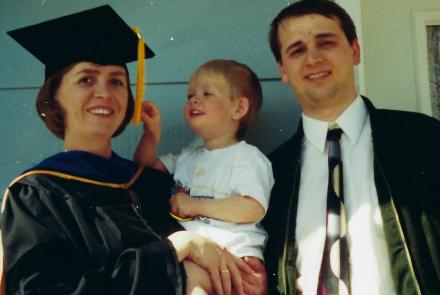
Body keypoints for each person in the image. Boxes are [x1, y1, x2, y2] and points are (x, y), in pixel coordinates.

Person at [0, 6, 256, 295]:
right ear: (54, 97)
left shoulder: (151, 182)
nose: (105, 93)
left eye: (117, 81)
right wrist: (176, 249)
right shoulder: (37, 194)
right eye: (86, 79)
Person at [262, 0, 440, 294]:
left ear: (354, 50)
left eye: (326, 42)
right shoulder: (271, 173)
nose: (313, 58)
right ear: (283, 69)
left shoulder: (422, 138)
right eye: (297, 50)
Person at [134, 59, 274, 294]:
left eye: (207, 93)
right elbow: (144, 169)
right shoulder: (188, 157)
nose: (194, 100)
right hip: (196, 258)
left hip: (237, 261)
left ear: (238, 108)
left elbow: (252, 208)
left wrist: (194, 205)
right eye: (190, 95)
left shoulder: (247, 158)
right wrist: (150, 135)